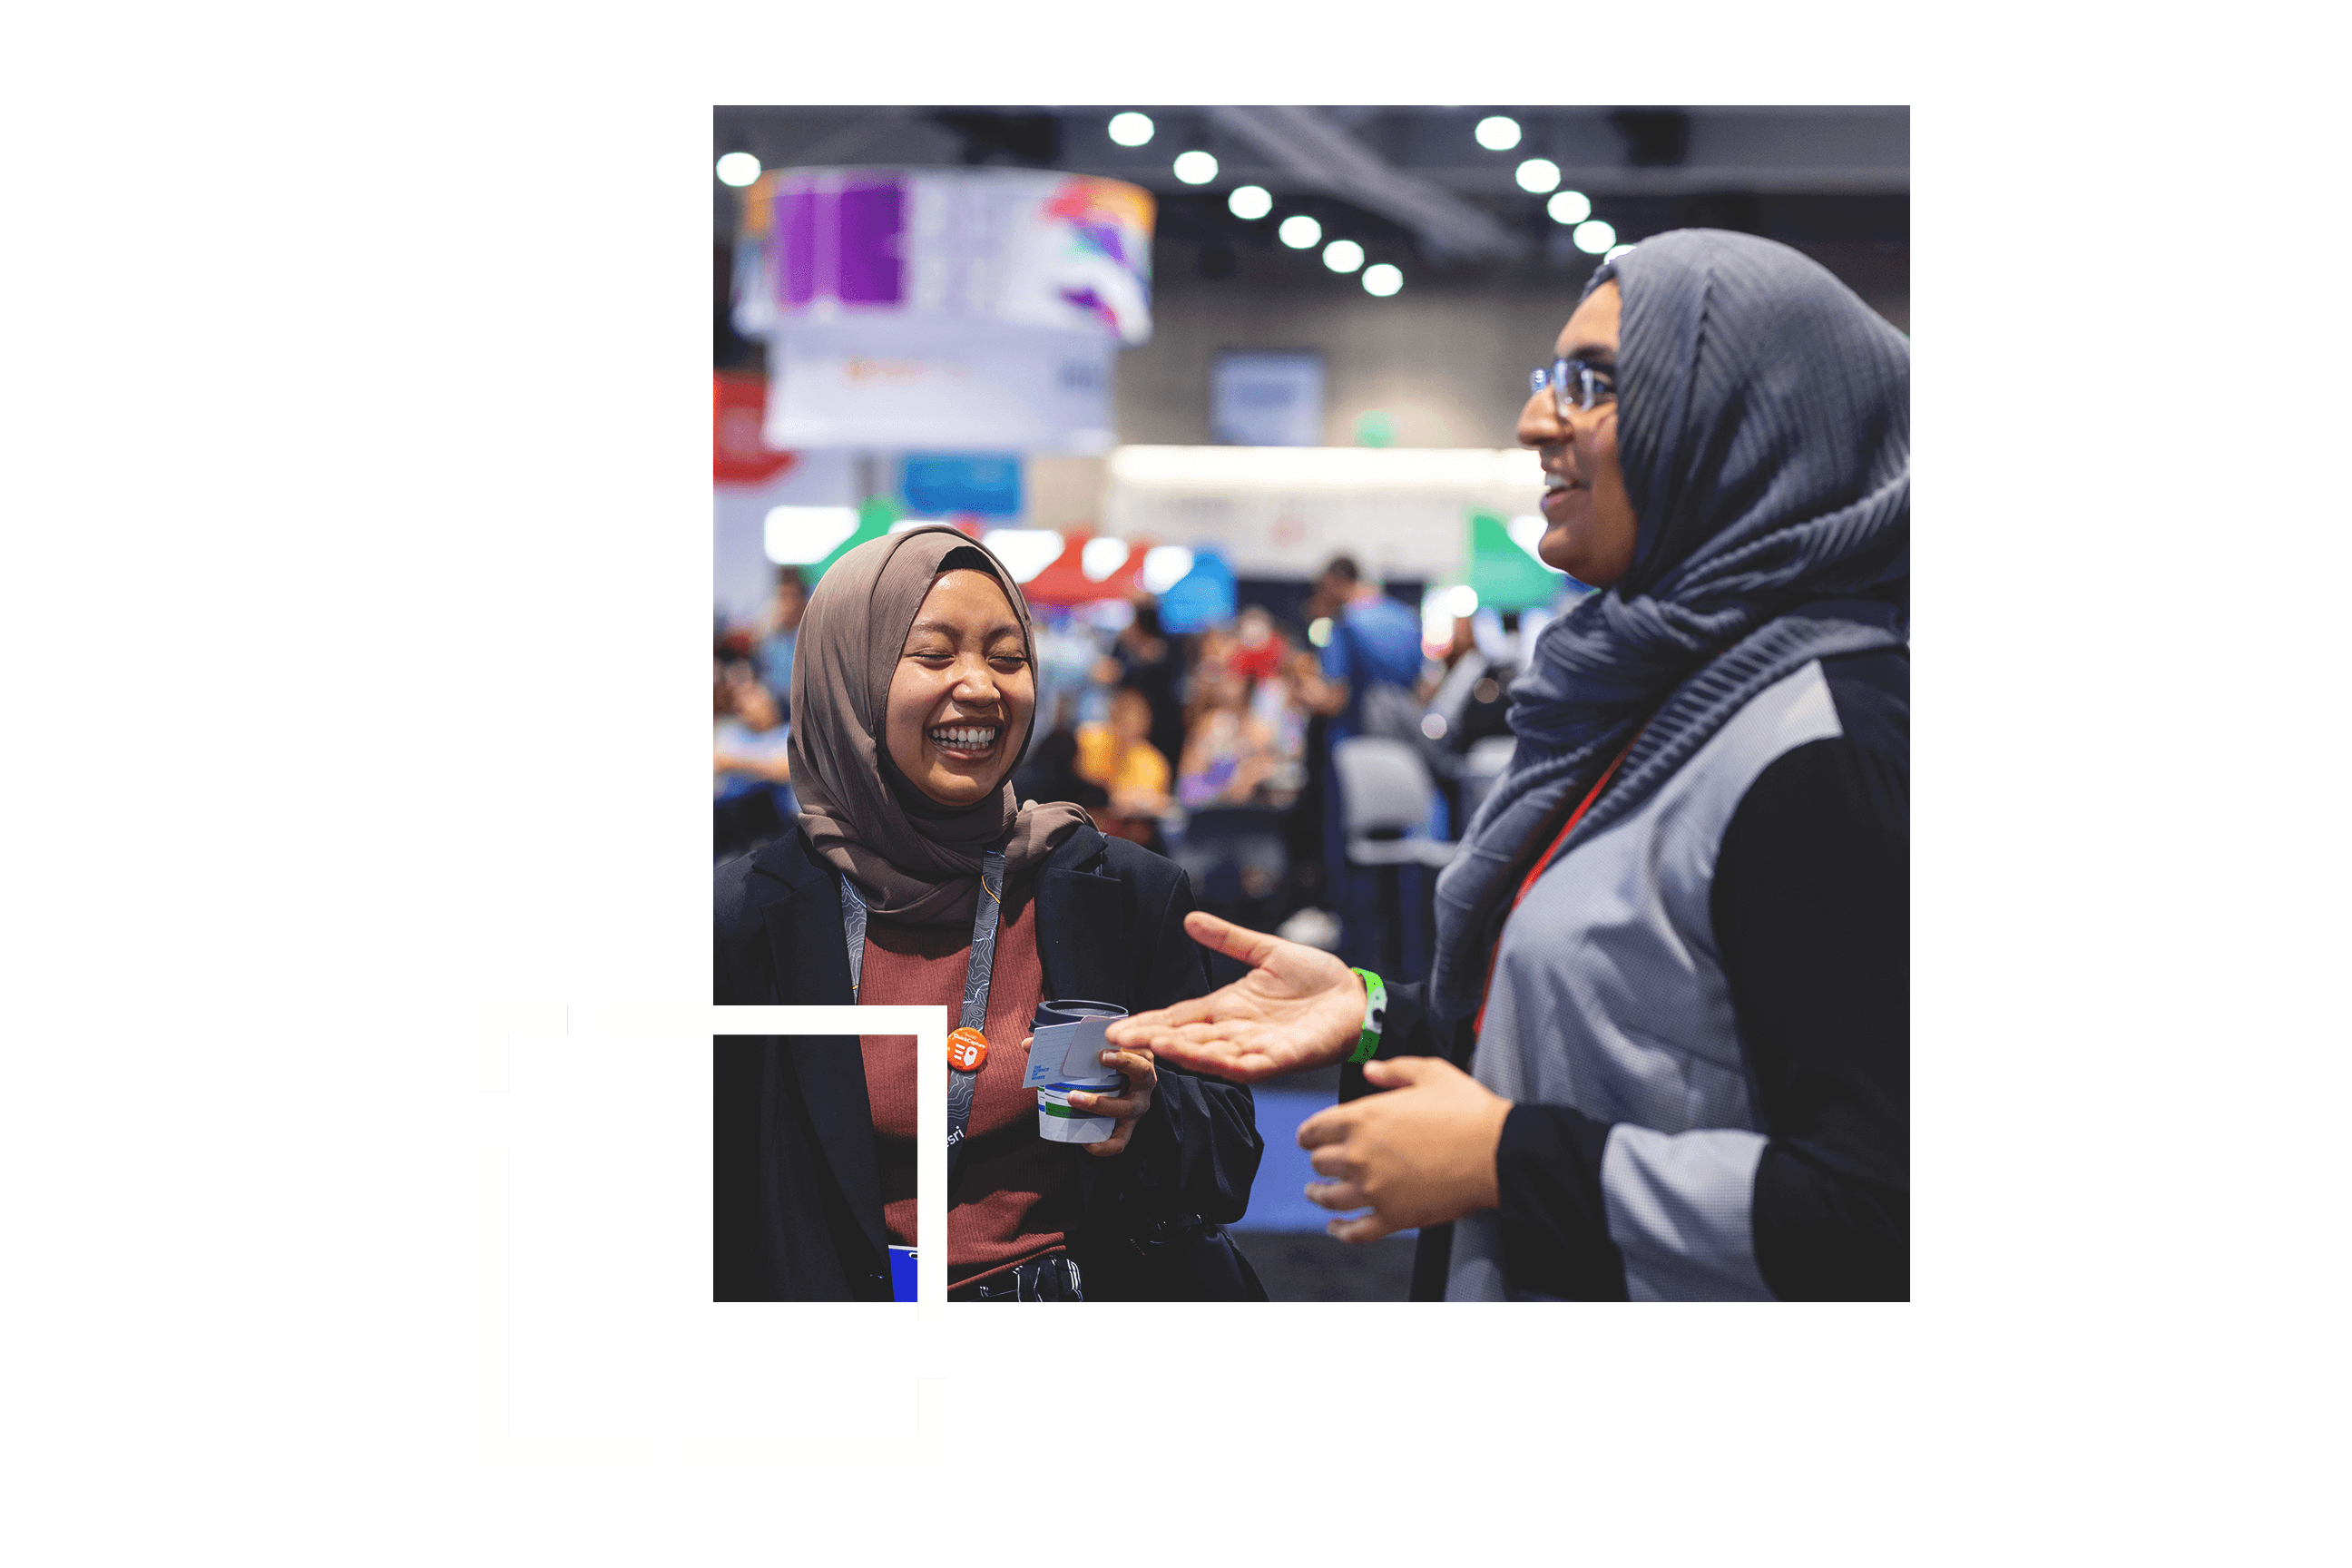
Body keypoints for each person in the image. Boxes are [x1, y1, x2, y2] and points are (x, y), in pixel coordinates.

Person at [1109, 230, 1909, 1301]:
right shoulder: (1666, 710)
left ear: (1744, 427)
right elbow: (1628, 1038)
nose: (1539, 421)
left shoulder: (1821, 750)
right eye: (1548, 381)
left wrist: (1504, 1162)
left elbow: (1875, 1211)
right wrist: (1380, 1012)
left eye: (1596, 386)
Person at [712, 525, 1266, 1302]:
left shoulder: (1119, 891)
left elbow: (1229, 1158)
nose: (980, 686)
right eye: (935, 655)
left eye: (1008, 658)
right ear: (851, 679)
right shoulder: (749, 917)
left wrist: (1150, 1112)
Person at [1074, 684, 1173, 848]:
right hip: (1088, 825)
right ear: (1112, 716)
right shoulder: (1088, 741)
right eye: (1124, 720)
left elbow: (1160, 803)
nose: (1130, 729)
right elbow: (1076, 787)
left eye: (1137, 722)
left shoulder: (1154, 761)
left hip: (1133, 836)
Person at [755, 569, 808, 720]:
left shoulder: (811, 640)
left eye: (789, 596)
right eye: (780, 596)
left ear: (802, 601)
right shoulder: (768, 642)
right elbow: (763, 683)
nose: (784, 604)